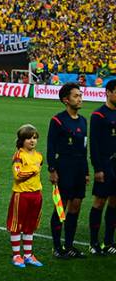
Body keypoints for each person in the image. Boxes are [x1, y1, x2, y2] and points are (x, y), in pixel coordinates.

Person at [48, 82, 89, 259]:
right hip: (64, 166)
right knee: (61, 207)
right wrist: (52, 169)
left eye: (80, 95)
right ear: (66, 100)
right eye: (76, 96)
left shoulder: (83, 121)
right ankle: (57, 247)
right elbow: (50, 147)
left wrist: (87, 171)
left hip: (80, 167)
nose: (80, 99)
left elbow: (84, 148)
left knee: (76, 205)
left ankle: (70, 245)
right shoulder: (57, 120)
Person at [8, 124, 44, 268]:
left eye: (34, 138)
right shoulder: (19, 155)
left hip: (36, 194)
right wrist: (33, 170)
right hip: (21, 195)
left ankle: (28, 255)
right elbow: (18, 175)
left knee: (30, 225)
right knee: (17, 225)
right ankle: (17, 255)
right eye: (29, 138)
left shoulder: (39, 156)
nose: (32, 141)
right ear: (22, 140)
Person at [89, 79, 116, 254]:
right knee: (99, 201)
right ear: (108, 92)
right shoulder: (98, 115)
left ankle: (109, 241)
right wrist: (98, 168)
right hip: (105, 164)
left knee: (115, 201)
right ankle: (94, 243)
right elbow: (94, 144)